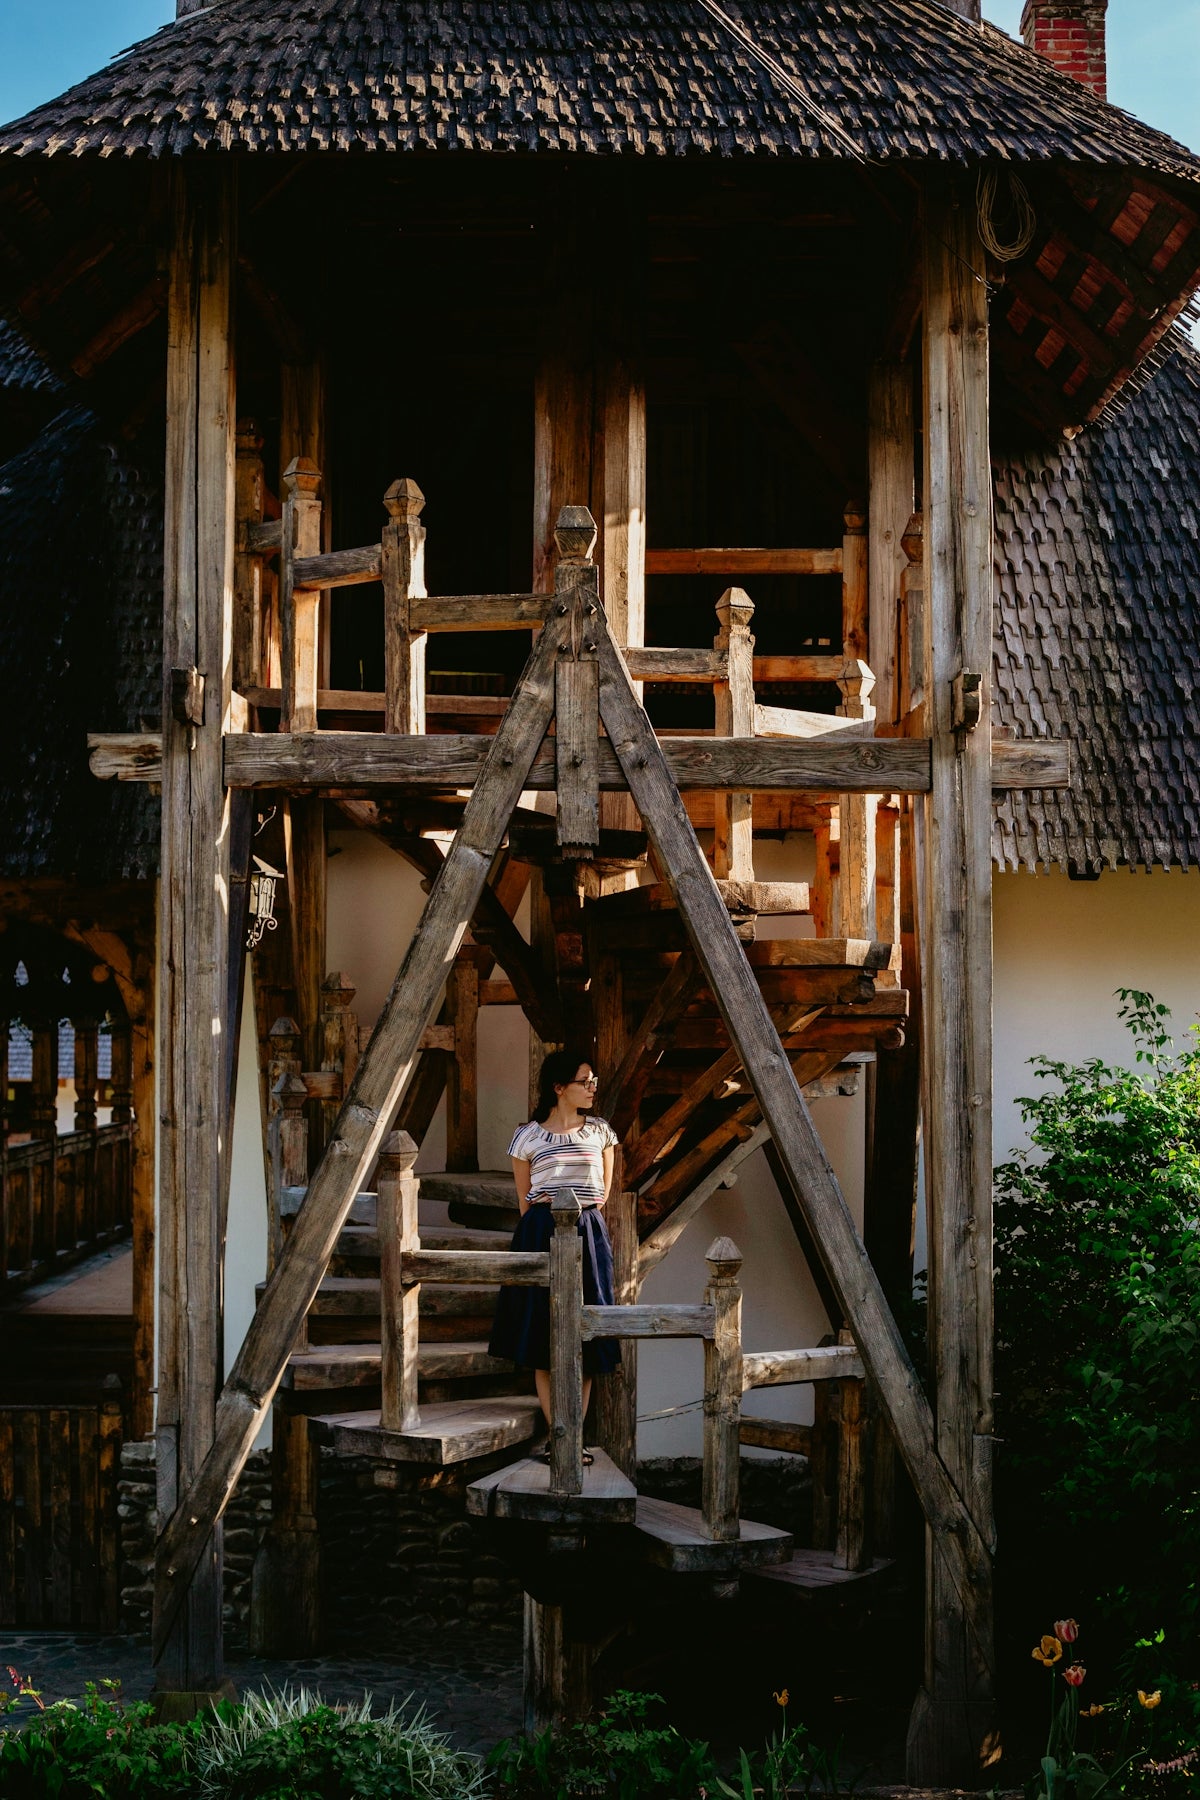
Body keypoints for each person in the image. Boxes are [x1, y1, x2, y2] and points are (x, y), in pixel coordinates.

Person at [488, 1048, 620, 1463]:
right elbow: (525, 1202)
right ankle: (556, 1434)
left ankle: (574, 1436)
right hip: (539, 1232)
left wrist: (582, 1223)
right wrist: (542, 1230)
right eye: (586, 1081)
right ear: (559, 1087)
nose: (593, 1088)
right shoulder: (527, 1137)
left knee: (588, 1334)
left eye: (594, 1080)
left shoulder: (601, 1133)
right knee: (540, 1334)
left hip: (588, 1231)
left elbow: (603, 1195)